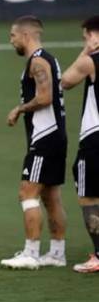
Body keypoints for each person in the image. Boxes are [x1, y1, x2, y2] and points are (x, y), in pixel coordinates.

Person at [2, 16, 67, 270]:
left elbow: (45, 97)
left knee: (27, 192)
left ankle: (30, 252)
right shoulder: (47, 58)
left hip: (45, 137)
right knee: (51, 196)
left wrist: (20, 109)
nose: (11, 41)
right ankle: (57, 253)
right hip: (55, 136)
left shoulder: (38, 61)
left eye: (13, 36)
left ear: (26, 36)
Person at [60, 15, 99, 274]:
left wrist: (87, 50)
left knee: (89, 197)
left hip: (95, 139)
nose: (85, 41)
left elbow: (65, 81)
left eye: (86, 36)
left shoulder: (91, 61)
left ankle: (98, 255)